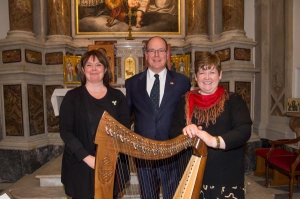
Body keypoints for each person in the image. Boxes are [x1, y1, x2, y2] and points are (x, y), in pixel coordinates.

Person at [169, 51, 252, 199]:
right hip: (193, 174)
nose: (207, 77)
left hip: (227, 175)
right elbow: (173, 130)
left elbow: (244, 130)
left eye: (212, 72)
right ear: (195, 77)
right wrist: (185, 130)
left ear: (220, 75)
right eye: (202, 72)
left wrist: (213, 141)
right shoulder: (185, 101)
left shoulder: (233, 100)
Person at [125, 36, 191, 199]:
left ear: (167, 54)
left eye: (160, 50)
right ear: (146, 54)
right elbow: (126, 116)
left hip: (172, 152)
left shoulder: (182, 82)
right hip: (143, 154)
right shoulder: (132, 83)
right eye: (152, 50)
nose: (156, 54)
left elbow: (187, 115)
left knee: (174, 195)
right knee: (147, 196)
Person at [59, 50, 130, 199]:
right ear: (83, 70)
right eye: (89, 65)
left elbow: (124, 130)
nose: (93, 68)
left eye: (98, 64)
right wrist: (88, 158)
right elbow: (66, 132)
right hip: (81, 164)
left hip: (111, 162)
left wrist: (112, 156)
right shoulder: (72, 97)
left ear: (105, 69)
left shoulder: (117, 96)